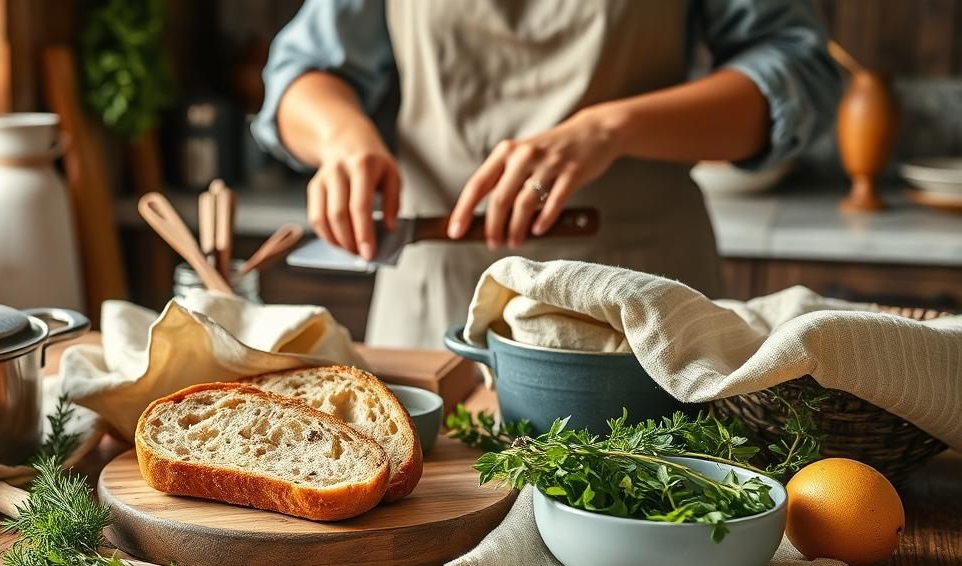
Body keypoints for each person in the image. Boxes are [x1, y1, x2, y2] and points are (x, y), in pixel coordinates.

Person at [252, 0, 840, 348]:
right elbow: (303, 69)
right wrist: (343, 140)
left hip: (648, 308)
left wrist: (612, 128)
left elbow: (797, 74)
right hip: (433, 306)